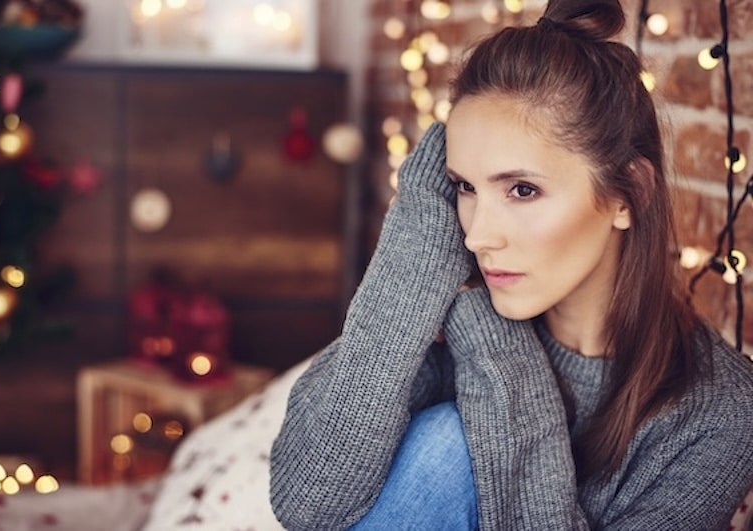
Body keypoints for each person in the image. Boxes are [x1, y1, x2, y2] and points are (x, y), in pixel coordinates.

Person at [269, 0, 753, 528]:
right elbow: (307, 503)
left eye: (522, 189)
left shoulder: (721, 410)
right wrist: (415, 249)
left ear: (628, 194)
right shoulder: (453, 316)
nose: (476, 236)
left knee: (449, 443)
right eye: (464, 187)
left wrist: (504, 363)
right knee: (445, 444)